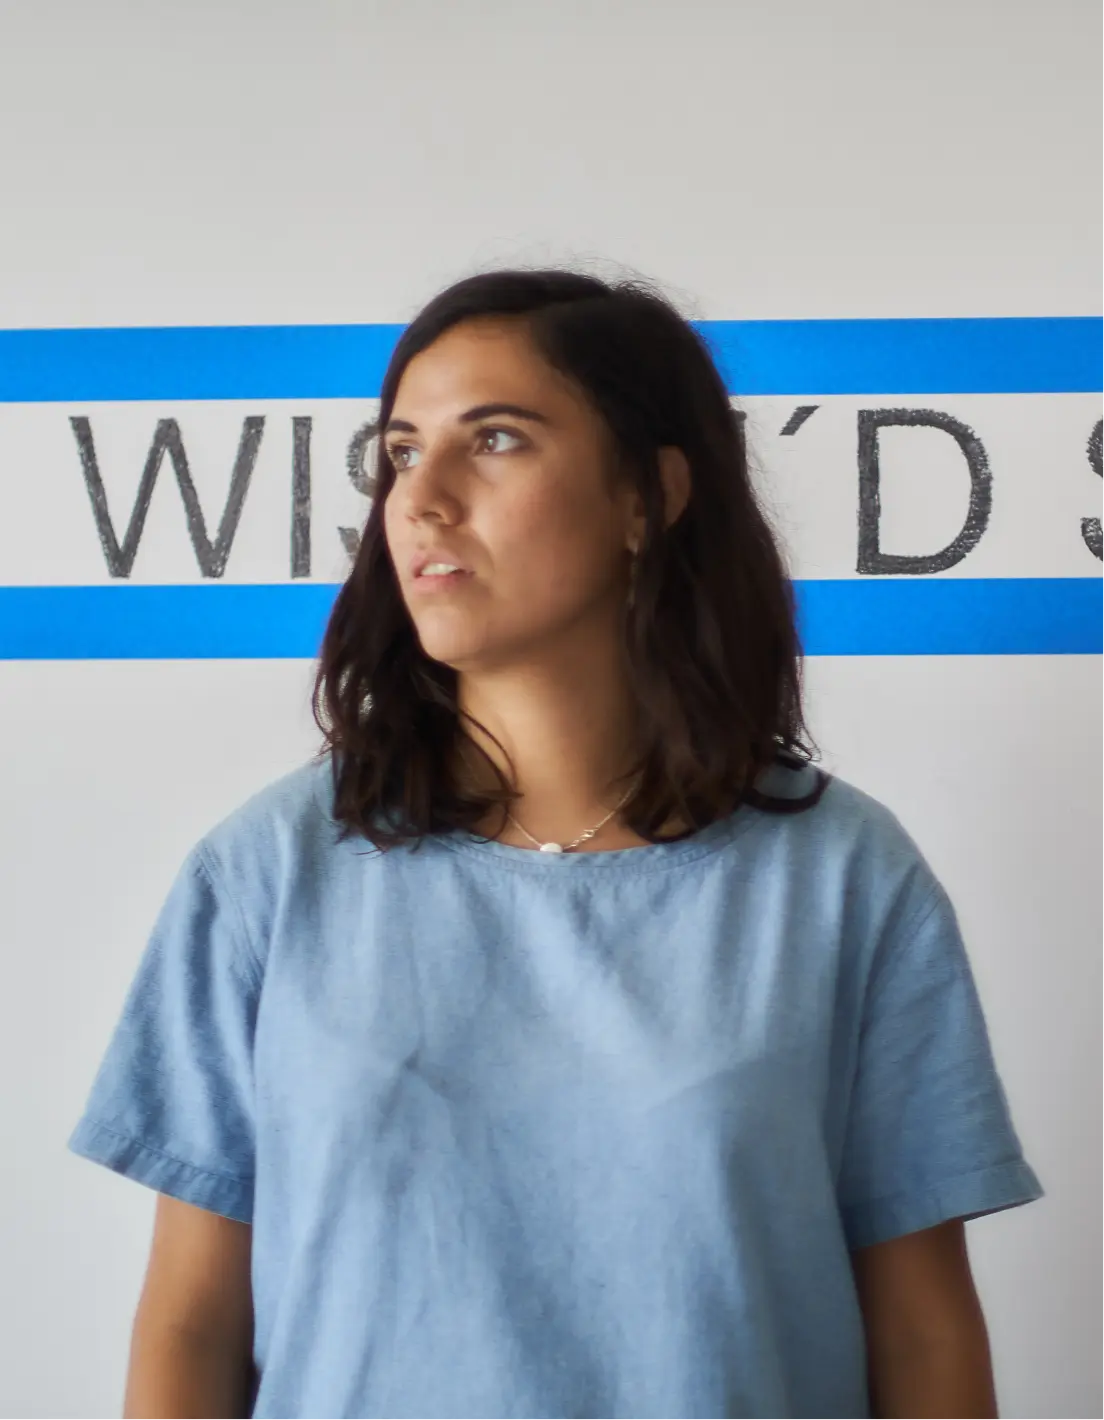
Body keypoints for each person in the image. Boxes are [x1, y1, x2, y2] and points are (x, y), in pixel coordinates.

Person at [68, 268, 1044, 1420]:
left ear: (650, 495)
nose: (421, 497)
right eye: (399, 450)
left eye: (494, 440)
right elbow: (190, 1323)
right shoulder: (268, 873)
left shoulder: (844, 881)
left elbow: (925, 1335)